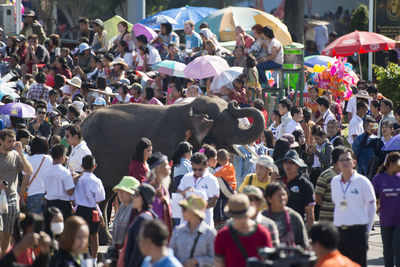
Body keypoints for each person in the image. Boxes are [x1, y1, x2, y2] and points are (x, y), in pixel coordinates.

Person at [330, 146, 376, 267]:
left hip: (357, 231)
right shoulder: (334, 181)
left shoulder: (363, 181)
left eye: (347, 160)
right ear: (338, 164)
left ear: (354, 163)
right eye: (342, 160)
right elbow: (337, 204)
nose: (345, 163)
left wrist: (366, 229)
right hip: (339, 231)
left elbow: (372, 206)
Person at [214, 194, 272, 267]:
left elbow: (269, 260)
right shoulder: (222, 235)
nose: (241, 220)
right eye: (237, 217)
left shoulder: (262, 233)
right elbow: (219, 263)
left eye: (243, 216)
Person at [0, 129, 33, 256]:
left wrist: (21, 153)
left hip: (12, 198)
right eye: (9, 141)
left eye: (14, 141)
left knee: (8, 234)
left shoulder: (15, 155)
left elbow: (29, 171)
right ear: (1, 141)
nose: (12, 144)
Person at [73, 155, 105, 262]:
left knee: (80, 235)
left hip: (79, 209)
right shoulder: (96, 181)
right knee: (94, 236)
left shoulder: (77, 179)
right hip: (93, 210)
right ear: (95, 166)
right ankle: (94, 261)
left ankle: (82, 259)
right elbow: (100, 199)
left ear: (81, 166)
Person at [170, 195, 216, 267]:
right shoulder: (177, 231)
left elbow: (216, 259)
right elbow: (171, 254)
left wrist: (198, 261)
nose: (182, 212)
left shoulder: (210, 233)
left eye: (184, 209)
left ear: (195, 212)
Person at [371, 152, 400, 267]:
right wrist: (377, 208)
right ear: (390, 164)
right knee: (387, 248)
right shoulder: (378, 178)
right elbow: (372, 196)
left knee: (397, 245)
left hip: (399, 220)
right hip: (386, 219)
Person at [276, 150, 315, 228]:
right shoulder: (277, 183)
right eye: (286, 162)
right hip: (278, 227)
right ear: (282, 165)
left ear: (298, 165)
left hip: (297, 227)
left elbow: (310, 213)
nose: (288, 165)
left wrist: (310, 235)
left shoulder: (305, 185)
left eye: (292, 162)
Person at [263, 182, 310, 248]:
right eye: (278, 195)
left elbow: (304, 244)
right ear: (269, 198)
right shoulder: (262, 218)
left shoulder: (294, 217)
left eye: (284, 194)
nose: (282, 198)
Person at [178, 153, 220, 226]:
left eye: (200, 170)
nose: (197, 172)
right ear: (191, 165)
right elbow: (178, 194)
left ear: (206, 165)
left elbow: (213, 202)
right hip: (186, 223)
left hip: (205, 223)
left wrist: (195, 208)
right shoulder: (186, 177)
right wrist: (184, 192)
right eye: (194, 169)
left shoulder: (212, 179)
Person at [122, 184, 157, 267]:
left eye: (136, 195)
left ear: (144, 198)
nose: (132, 197)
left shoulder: (143, 219)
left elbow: (138, 251)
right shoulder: (147, 215)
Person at [108, 176, 140, 264]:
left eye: (124, 191)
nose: (120, 194)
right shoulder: (122, 207)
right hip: (118, 252)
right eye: (119, 191)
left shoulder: (135, 210)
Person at [19, 137, 53, 215]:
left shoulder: (29, 160)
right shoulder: (51, 160)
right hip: (48, 194)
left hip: (33, 194)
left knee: (35, 223)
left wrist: (20, 197)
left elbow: (25, 182)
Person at [44, 145, 75, 221]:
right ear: (62, 156)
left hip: (50, 204)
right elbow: (70, 192)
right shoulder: (65, 172)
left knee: (50, 229)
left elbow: (45, 190)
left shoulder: (46, 172)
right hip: (63, 205)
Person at [146, 152, 173, 234]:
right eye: (166, 164)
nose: (169, 167)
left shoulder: (163, 188)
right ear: (157, 168)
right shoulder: (147, 188)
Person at [315, 147, 342, 222]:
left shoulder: (349, 177)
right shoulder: (325, 176)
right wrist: (328, 206)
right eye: (342, 160)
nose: (345, 163)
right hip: (327, 218)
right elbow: (317, 198)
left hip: (344, 219)